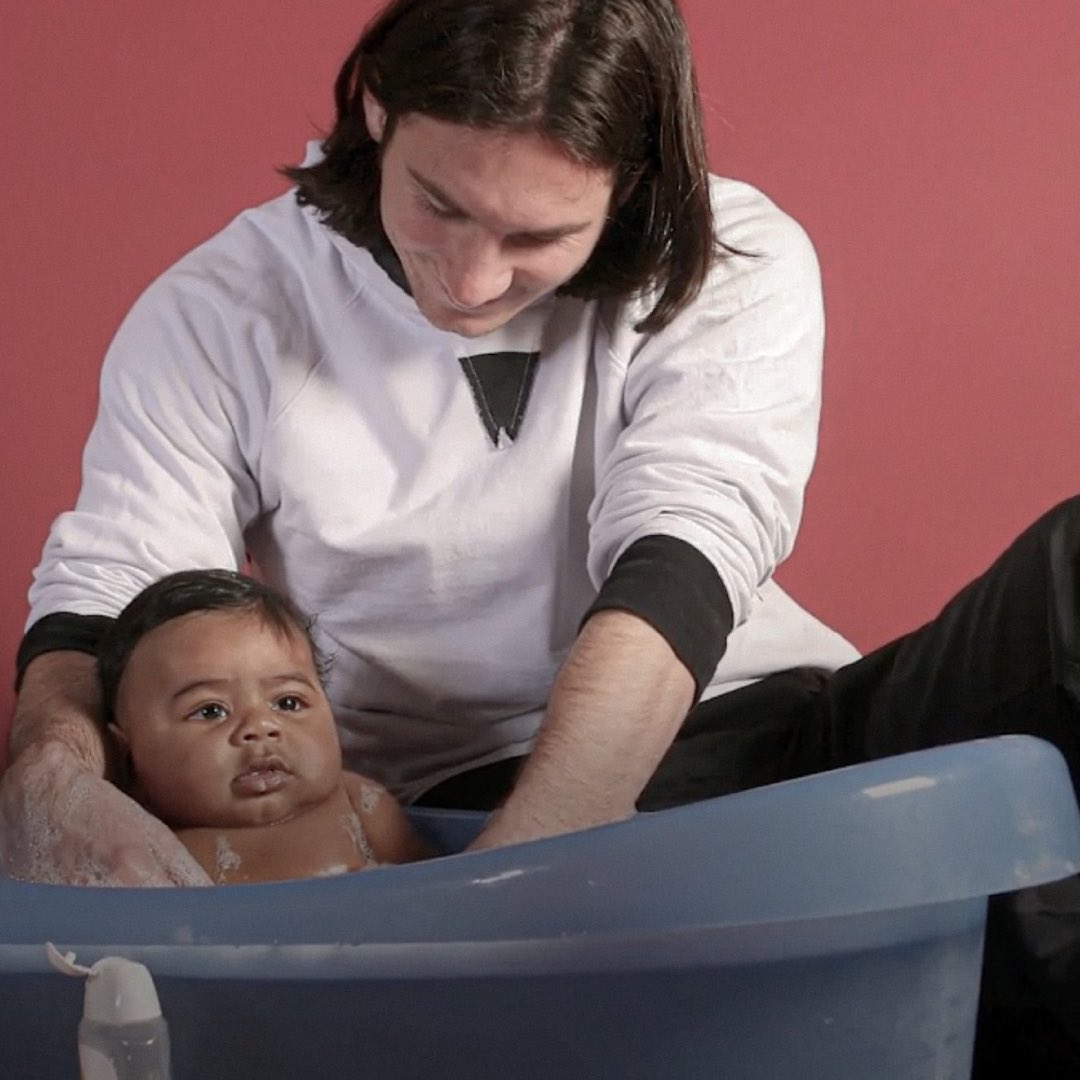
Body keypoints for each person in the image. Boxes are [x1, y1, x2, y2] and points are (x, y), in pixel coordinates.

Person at [2, 0, 1080, 1068]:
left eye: (538, 237)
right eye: (438, 203)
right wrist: (49, 775)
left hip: (778, 736)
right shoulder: (223, 306)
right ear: (377, 107)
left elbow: (684, 551)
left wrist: (519, 901)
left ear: (631, 188)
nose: (471, 280)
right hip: (472, 797)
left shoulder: (734, 250)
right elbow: (118, 585)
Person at [98, 569, 432, 884]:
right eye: (211, 710)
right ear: (126, 750)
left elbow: (434, 898)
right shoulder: (133, 843)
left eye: (287, 703)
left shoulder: (362, 806)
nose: (260, 727)